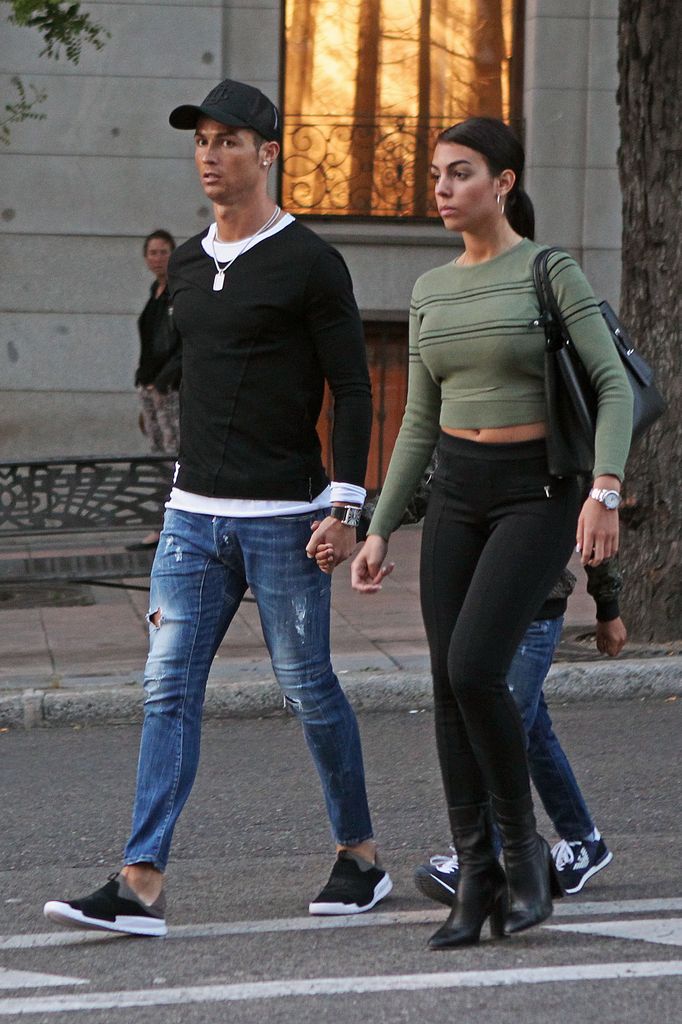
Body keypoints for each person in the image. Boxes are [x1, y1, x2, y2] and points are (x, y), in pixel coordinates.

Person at [43, 78, 391, 938]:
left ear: (267, 153)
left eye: (229, 139)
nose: (209, 153)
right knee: (166, 692)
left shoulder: (311, 260)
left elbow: (353, 390)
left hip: (286, 519)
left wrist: (346, 505)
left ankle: (360, 858)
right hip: (192, 517)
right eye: (201, 139)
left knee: (309, 689)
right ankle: (141, 881)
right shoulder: (190, 265)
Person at [349, 116, 633, 949]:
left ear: (503, 182)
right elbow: (419, 421)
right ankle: (474, 879)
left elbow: (613, 388)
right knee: (445, 682)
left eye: (459, 172)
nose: (440, 188)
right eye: (435, 174)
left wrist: (604, 492)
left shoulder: (549, 271)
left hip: (539, 492)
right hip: (458, 495)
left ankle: (522, 856)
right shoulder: (431, 290)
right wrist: (379, 525)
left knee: (477, 665)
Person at [415, 556, 625, 906]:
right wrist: (364, 528)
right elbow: (421, 499)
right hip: (480, 610)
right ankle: (584, 839)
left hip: (535, 610)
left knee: (502, 730)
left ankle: (475, 861)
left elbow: (594, 529)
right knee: (530, 728)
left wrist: (608, 608)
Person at [127, 229, 182, 551]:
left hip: (169, 389)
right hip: (149, 386)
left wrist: (163, 381)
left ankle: (172, 524)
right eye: (152, 252)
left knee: (173, 457)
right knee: (156, 455)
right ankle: (158, 525)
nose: (157, 257)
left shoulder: (178, 292)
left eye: (163, 252)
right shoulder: (155, 292)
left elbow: (183, 343)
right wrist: (143, 380)